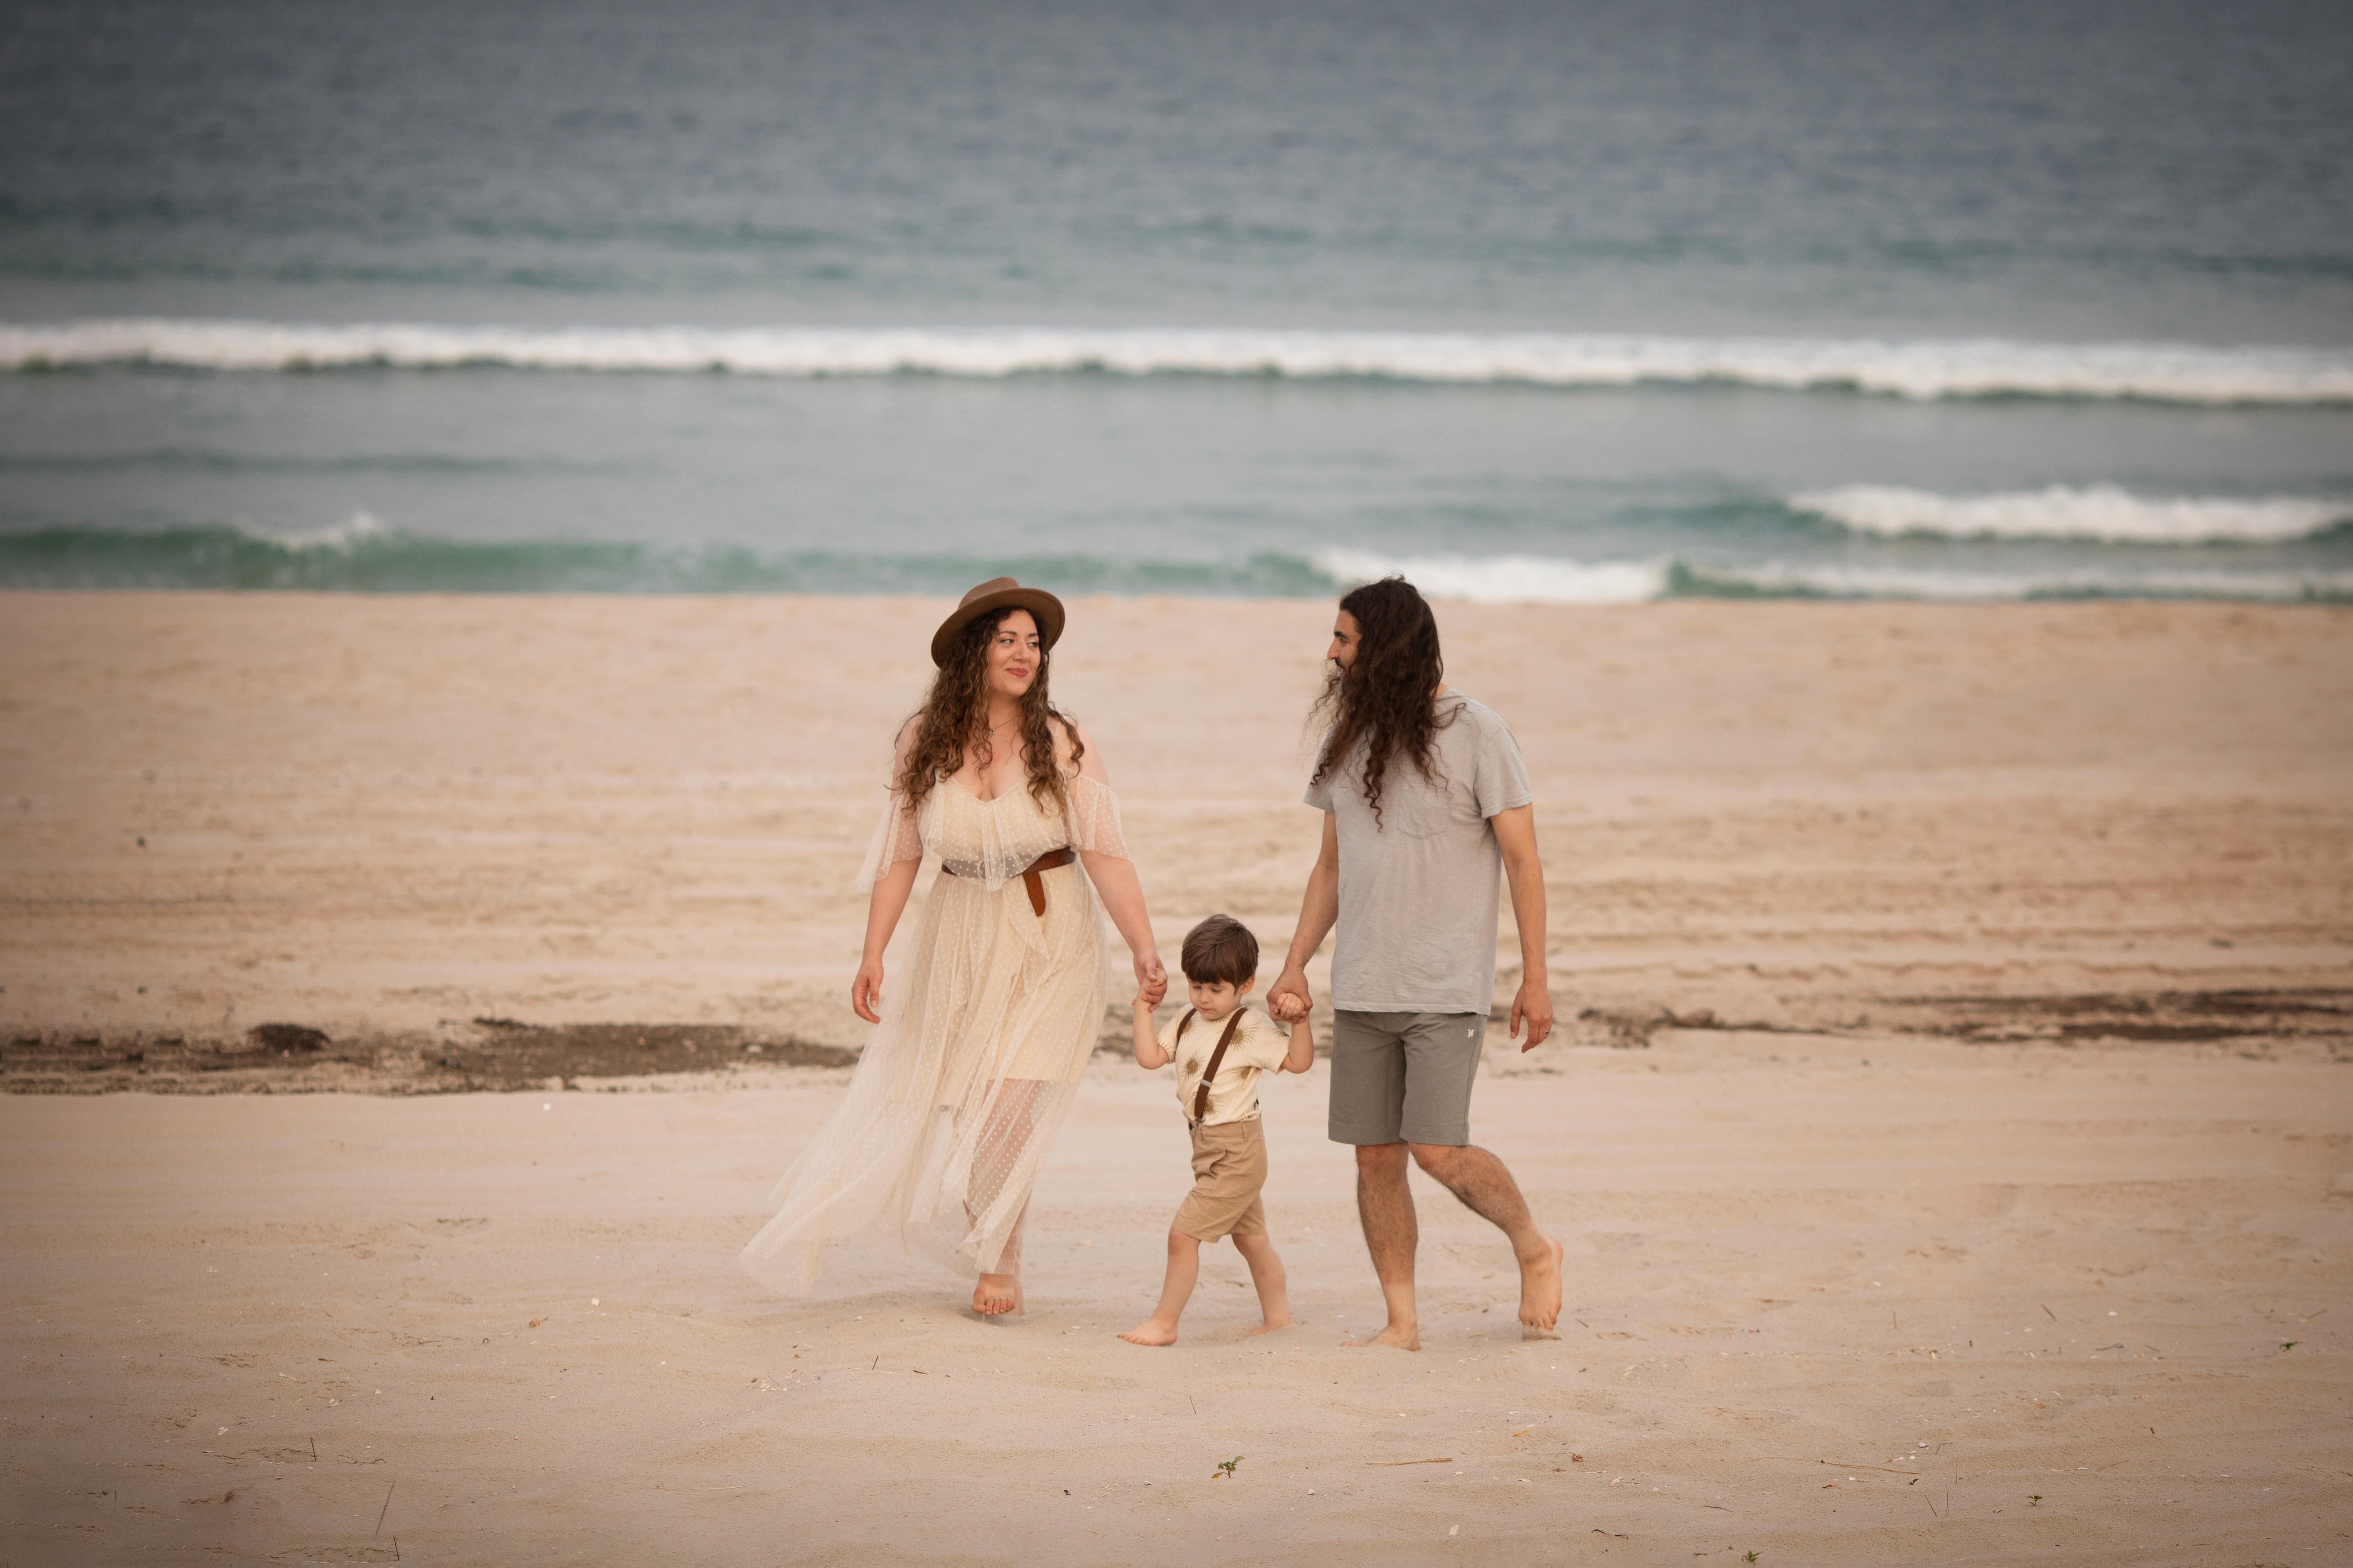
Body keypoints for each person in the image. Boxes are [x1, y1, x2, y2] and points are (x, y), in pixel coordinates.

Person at [741, 578, 1167, 1318]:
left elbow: (1107, 853)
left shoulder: (1064, 740)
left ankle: (1000, 1259)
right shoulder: (924, 739)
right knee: (974, 1102)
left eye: (1034, 642)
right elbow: (902, 855)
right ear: (974, 648)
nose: (1025, 654)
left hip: (1050, 933)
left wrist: (1144, 946)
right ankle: (993, 1240)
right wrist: (873, 951)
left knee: (1006, 1104)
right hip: (959, 933)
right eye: (1007, 638)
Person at [1267, 576, 1563, 1349]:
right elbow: (1328, 868)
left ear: (1386, 647)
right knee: (1374, 1160)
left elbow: (1524, 861)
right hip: (1361, 982)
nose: (1330, 654)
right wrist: (1296, 961)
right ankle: (1401, 1321)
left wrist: (1534, 977)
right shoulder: (1349, 740)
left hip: (1443, 984)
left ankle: (1533, 1242)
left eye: (1344, 640)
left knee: (1437, 1148)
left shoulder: (1479, 732)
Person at [1117, 915, 1314, 1347]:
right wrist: (1141, 1011)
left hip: (1237, 1152)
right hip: (1206, 1148)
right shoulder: (1188, 1019)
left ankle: (1165, 1323)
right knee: (1252, 1242)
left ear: (1245, 984)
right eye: (1196, 986)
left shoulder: (1251, 1027)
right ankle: (1279, 1319)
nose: (1204, 999)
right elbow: (1151, 1057)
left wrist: (1299, 1024)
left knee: (1182, 1236)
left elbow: (1298, 1063)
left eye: (1215, 989)